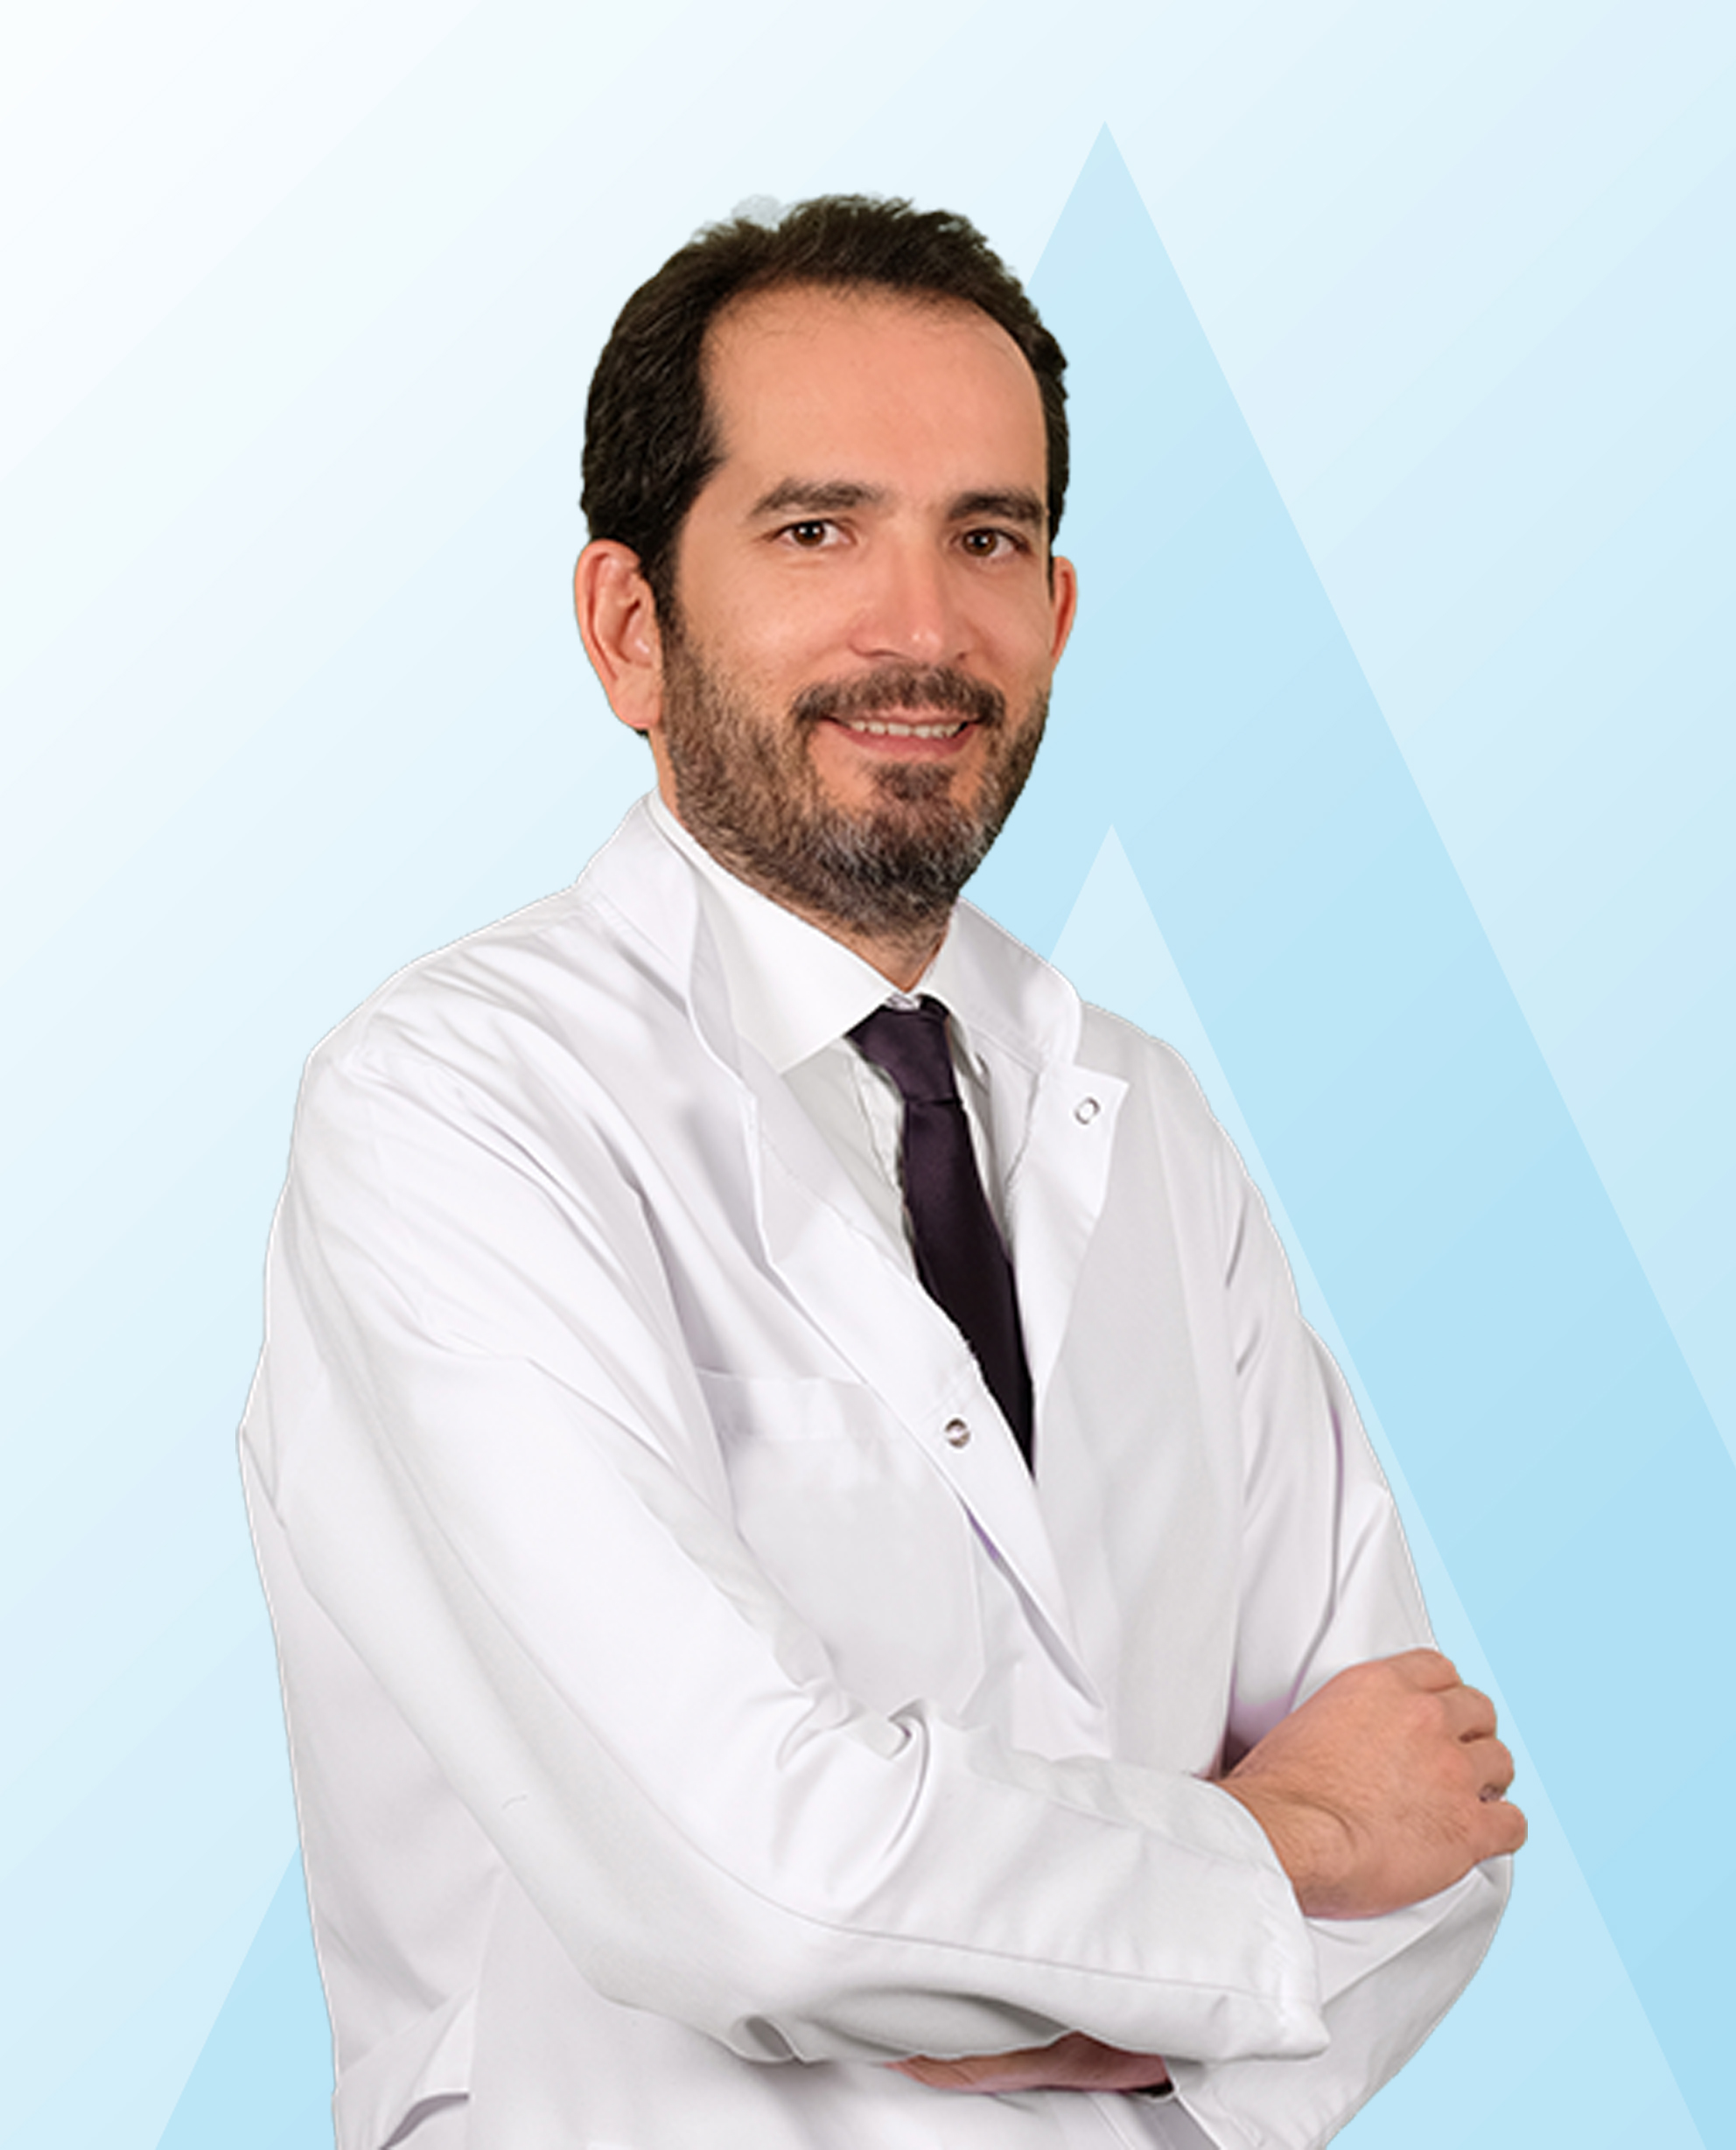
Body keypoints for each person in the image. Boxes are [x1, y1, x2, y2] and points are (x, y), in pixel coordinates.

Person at [242, 196, 1524, 2150]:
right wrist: (1286, 1852)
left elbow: (1435, 1825)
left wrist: (1159, 1945)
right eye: (816, 530)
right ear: (629, 628)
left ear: (1059, 610)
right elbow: (752, 1878)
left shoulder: (1143, 1117)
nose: (920, 629)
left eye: (985, 538)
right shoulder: (452, 1108)